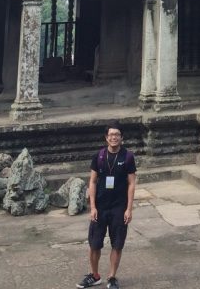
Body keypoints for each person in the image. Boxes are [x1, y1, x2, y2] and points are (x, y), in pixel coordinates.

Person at [77, 123, 137, 289]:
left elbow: (132, 183)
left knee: (117, 244)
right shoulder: (99, 156)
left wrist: (129, 209)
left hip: (119, 207)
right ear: (106, 137)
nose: (114, 137)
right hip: (101, 207)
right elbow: (93, 181)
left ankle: (112, 277)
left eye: (117, 134)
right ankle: (95, 275)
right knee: (94, 243)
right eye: (111, 135)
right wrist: (93, 207)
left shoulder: (128, 157)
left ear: (122, 138)